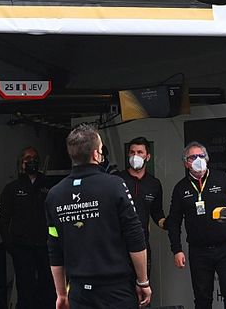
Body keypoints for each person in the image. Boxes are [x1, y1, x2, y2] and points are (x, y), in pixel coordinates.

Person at [45, 124, 151, 309]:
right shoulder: (115, 185)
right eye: (101, 150)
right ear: (96, 154)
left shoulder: (54, 195)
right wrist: (143, 282)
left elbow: (54, 246)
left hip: (79, 291)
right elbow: (135, 235)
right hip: (116, 290)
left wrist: (61, 293)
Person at [167, 142, 226, 309]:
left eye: (201, 156)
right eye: (192, 157)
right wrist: (177, 249)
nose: (198, 159)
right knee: (202, 298)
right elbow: (174, 221)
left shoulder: (222, 178)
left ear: (207, 159)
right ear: (185, 163)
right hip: (199, 252)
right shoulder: (180, 188)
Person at [0, 147, 55, 309]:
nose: (32, 161)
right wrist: (10, 245)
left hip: (46, 247)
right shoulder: (12, 189)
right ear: (21, 163)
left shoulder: (49, 186)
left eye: (35, 158)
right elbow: (2, 219)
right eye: (28, 158)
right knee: (25, 288)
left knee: (48, 287)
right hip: (22, 248)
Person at [116, 137, 166, 250]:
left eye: (140, 152)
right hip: (118, 244)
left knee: (144, 268)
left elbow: (157, 212)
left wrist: (168, 224)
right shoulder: (117, 180)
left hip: (142, 242)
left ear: (147, 157)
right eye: (132, 152)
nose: (135, 156)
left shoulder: (154, 184)